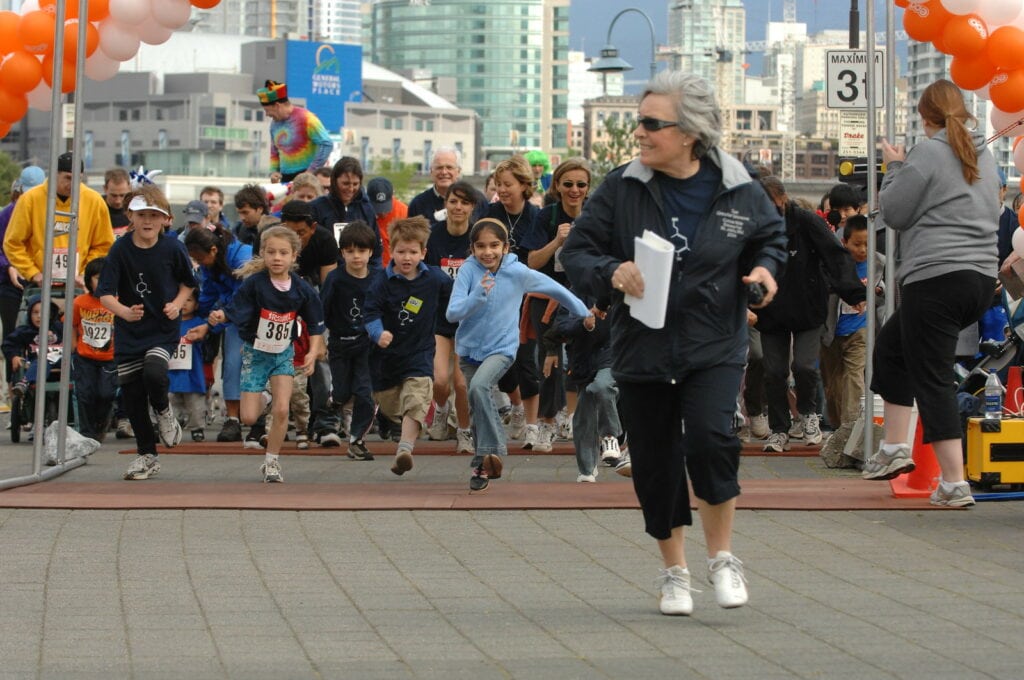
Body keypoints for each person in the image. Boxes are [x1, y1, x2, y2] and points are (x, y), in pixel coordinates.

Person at [562, 70, 786, 616]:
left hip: (714, 341)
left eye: (650, 124)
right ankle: (675, 572)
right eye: (638, 122)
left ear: (689, 133)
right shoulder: (621, 186)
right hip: (642, 347)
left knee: (711, 441)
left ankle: (723, 558)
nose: (638, 132)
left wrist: (764, 269)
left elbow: (771, 236)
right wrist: (613, 270)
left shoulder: (738, 185)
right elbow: (578, 253)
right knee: (657, 463)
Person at [864, 78, 1000, 509]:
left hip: (936, 277)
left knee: (933, 375)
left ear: (925, 117)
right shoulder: (984, 153)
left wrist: (894, 167)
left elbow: (896, 212)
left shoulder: (928, 152)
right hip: (979, 278)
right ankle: (893, 449)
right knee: (892, 349)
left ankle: (954, 482)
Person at [447, 218, 589, 491]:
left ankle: (494, 450)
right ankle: (482, 466)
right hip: (468, 350)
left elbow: (554, 288)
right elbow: (452, 313)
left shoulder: (517, 272)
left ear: (506, 246)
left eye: (494, 245)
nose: (487, 252)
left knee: (478, 387)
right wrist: (476, 296)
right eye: (480, 246)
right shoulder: (468, 270)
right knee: (479, 403)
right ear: (472, 248)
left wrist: (583, 312)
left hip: (501, 349)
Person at [755, 174, 865, 453]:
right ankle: (779, 429)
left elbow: (835, 255)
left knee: (804, 366)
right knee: (774, 371)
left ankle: (809, 414)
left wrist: (854, 292)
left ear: (781, 199)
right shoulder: (755, 226)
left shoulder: (806, 221)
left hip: (808, 305)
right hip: (771, 308)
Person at [209, 226, 325, 482]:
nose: (277, 258)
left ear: (294, 256)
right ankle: (267, 397)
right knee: (249, 417)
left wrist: (313, 352)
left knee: (283, 411)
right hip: (256, 353)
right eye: (271, 252)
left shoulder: (301, 288)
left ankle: (272, 462)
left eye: (283, 253)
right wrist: (221, 316)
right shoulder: (255, 285)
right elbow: (235, 308)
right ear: (262, 253)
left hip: (283, 353)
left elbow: (316, 322)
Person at [97, 186, 198, 480]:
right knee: (132, 396)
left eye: (155, 215)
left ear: (166, 219)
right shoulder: (120, 249)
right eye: (142, 215)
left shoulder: (172, 247)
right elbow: (105, 294)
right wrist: (124, 312)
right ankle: (147, 456)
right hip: (130, 331)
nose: (148, 221)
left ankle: (164, 412)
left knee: (154, 372)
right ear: (130, 216)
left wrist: (177, 305)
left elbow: (188, 283)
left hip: (162, 327)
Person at [363, 216, 452, 476]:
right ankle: (394, 426)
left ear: (423, 252)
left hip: (420, 352)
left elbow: (455, 301)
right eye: (401, 251)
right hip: (385, 358)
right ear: (392, 250)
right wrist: (378, 334)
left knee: (416, 398)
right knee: (392, 407)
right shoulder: (381, 281)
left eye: (413, 252)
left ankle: (404, 449)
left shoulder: (435, 279)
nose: (406, 257)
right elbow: (370, 313)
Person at [522, 157, 594, 445]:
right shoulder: (546, 217)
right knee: (549, 358)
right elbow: (531, 262)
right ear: (557, 186)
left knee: (581, 355)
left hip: (583, 296)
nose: (574, 190)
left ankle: (572, 417)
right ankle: (547, 421)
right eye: (568, 184)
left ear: (588, 188)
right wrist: (557, 242)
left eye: (581, 184)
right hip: (549, 294)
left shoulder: (594, 216)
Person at [819, 214, 886, 464]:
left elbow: (889, 290)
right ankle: (839, 426)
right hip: (832, 331)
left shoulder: (880, 263)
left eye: (867, 244)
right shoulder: (835, 263)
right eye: (857, 244)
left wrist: (879, 291)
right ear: (845, 242)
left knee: (855, 376)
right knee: (833, 383)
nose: (863, 250)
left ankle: (852, 432)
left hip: (862, 329)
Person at [485, 156, 542, 446]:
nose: (503, 190)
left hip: (525, 297)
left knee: (526, 359)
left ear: (523, 185)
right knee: (501, 363)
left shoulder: (534, 216)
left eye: (508, 184)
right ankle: (516, 407)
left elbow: (534, 260)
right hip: (495, 298)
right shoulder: (490, 212)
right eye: (499, 185)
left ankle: (533, 424)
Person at [424, 180, 482, 452]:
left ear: (472, 207)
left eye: (464, 202)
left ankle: (464, 432)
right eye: (453, 201)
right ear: (445, 204)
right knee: (439, 380)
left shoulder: (478, 236)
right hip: (439, 317)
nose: (458, 207)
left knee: (461, 382)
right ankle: (440, 409)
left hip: (469, 320)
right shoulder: (434, 237)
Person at [320, 221, 385, 460]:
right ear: (342, 253)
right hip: (340, 344)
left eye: (361, 251)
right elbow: (322, 310)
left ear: (370, 252)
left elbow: (387, 306)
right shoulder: (335, 279)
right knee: (342, 391)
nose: (356, 256)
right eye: (350, 251)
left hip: (369, 347)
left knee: (365, 392)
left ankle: (357, 440)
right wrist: (318, 339)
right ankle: (332, 401)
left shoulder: (379, 278)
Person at [184, 223, 253, 443]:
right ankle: (232, 419)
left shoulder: (242, 257)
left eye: (200, 258)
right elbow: (208, 294)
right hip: (231, 317)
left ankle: (260, 417)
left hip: (257, 314)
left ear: (213, 250)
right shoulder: (209, 265)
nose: (200, 263)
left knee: (256, 366)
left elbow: (245, 298)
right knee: (231, 363)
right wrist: (202, 319)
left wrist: (213, 323)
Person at [4, 152, 114, 291]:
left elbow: (104, 245)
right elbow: (12, 243)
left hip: (79, 285)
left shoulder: (94, 201)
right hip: (40, 284)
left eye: (77, 179)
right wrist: (33, 273)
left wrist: (85, 273)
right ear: (55, 174)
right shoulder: (30, 199)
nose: (72, 184)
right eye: (68, 178)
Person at [543, 296, 621, 483]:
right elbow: (558, 328)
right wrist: (583, 324)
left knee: (602, 386)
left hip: (612, 353)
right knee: (583, 414)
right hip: (581, 359)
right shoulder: (572, 293)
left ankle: (610, 436)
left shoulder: (615, 287)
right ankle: (587, 468)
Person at [0, 166, 45, 389]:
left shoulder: (48, 210)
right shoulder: (7, 213)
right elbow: (4, 246)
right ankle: (12, 385)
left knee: (49, 331)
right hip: (12, 283)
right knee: (13, 333)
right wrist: (8, 265)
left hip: (42, 281)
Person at [71, 257, 118, 442]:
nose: (103, 281)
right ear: (89, 280)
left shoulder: (117, 302)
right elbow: (73, 325)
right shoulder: (80, 302)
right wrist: (74, 346)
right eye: (98, 277)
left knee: (106, 393)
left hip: (110, 357)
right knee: (85, 394)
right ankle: (86, 432)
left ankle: (102, 421)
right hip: (85, 356)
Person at [308, 157, 382, 268]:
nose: (351, 189)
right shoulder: (317, 207)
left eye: (355, 184)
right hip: (326, 275)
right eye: (346, 183)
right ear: (334, 181)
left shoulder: (366, 208)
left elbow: (375, 249)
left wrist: (374, 276)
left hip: (361, 276)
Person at [257, 79, 333, 184]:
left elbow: (327, 144)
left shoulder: (307, 118)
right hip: (285, 180)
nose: (267, 114)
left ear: (278, 106)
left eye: (267, 110)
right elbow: (274, 151)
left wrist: (310, 172)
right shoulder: (273, 125)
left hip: (308, 181)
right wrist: (273, 171)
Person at [3, 293, 63, 402]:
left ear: (51, 313)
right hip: (38, 363)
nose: (39, 316)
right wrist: (14, 356)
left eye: (44, 312)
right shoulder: (26, 330)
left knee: (75, 361)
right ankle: (24, 382)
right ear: (29, 314)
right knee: (43, 359)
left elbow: (72, 340)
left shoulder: (58, 327)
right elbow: (9, 343)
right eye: (35, 312)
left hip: (61, 361)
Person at [168, 290, 208, 442]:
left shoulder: (199, 324)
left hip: (192, 370)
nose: (184, 303)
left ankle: (197, 427)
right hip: (171, 370)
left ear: (197, 304)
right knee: (169, 399)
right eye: (181, 300)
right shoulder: (168, 323)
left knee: (195, 401)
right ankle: (169, 427)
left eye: (189, 300)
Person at [408, 147, 463, 222]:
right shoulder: (418, 204)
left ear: (458, 171)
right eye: (439, 167)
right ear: (431, 171)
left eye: (449, 167)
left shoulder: (476, 201)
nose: (444, 172)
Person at [367, 177, 408, 266]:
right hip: (372, 267)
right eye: (377, 208)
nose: (382, 213)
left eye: (385, 208)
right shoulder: (363, 212)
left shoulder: (404, 212)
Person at [103, 168, 132, 238]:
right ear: (105, 189)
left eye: (122, 195)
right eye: (113, 195)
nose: (118, 201)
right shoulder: (96, 208)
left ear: (129, 188)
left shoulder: (137, 209)